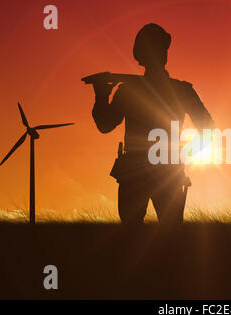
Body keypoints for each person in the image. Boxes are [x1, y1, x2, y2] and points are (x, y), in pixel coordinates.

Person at [91, 23, 213, 225]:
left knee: (156, 235)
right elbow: (207, 127)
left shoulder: (130, 91)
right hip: (158, 169)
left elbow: (105, 125)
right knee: (164, 235)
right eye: (158, 49)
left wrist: (101, 94)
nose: (162, 53)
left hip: (147, 169)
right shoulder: (180, 90)